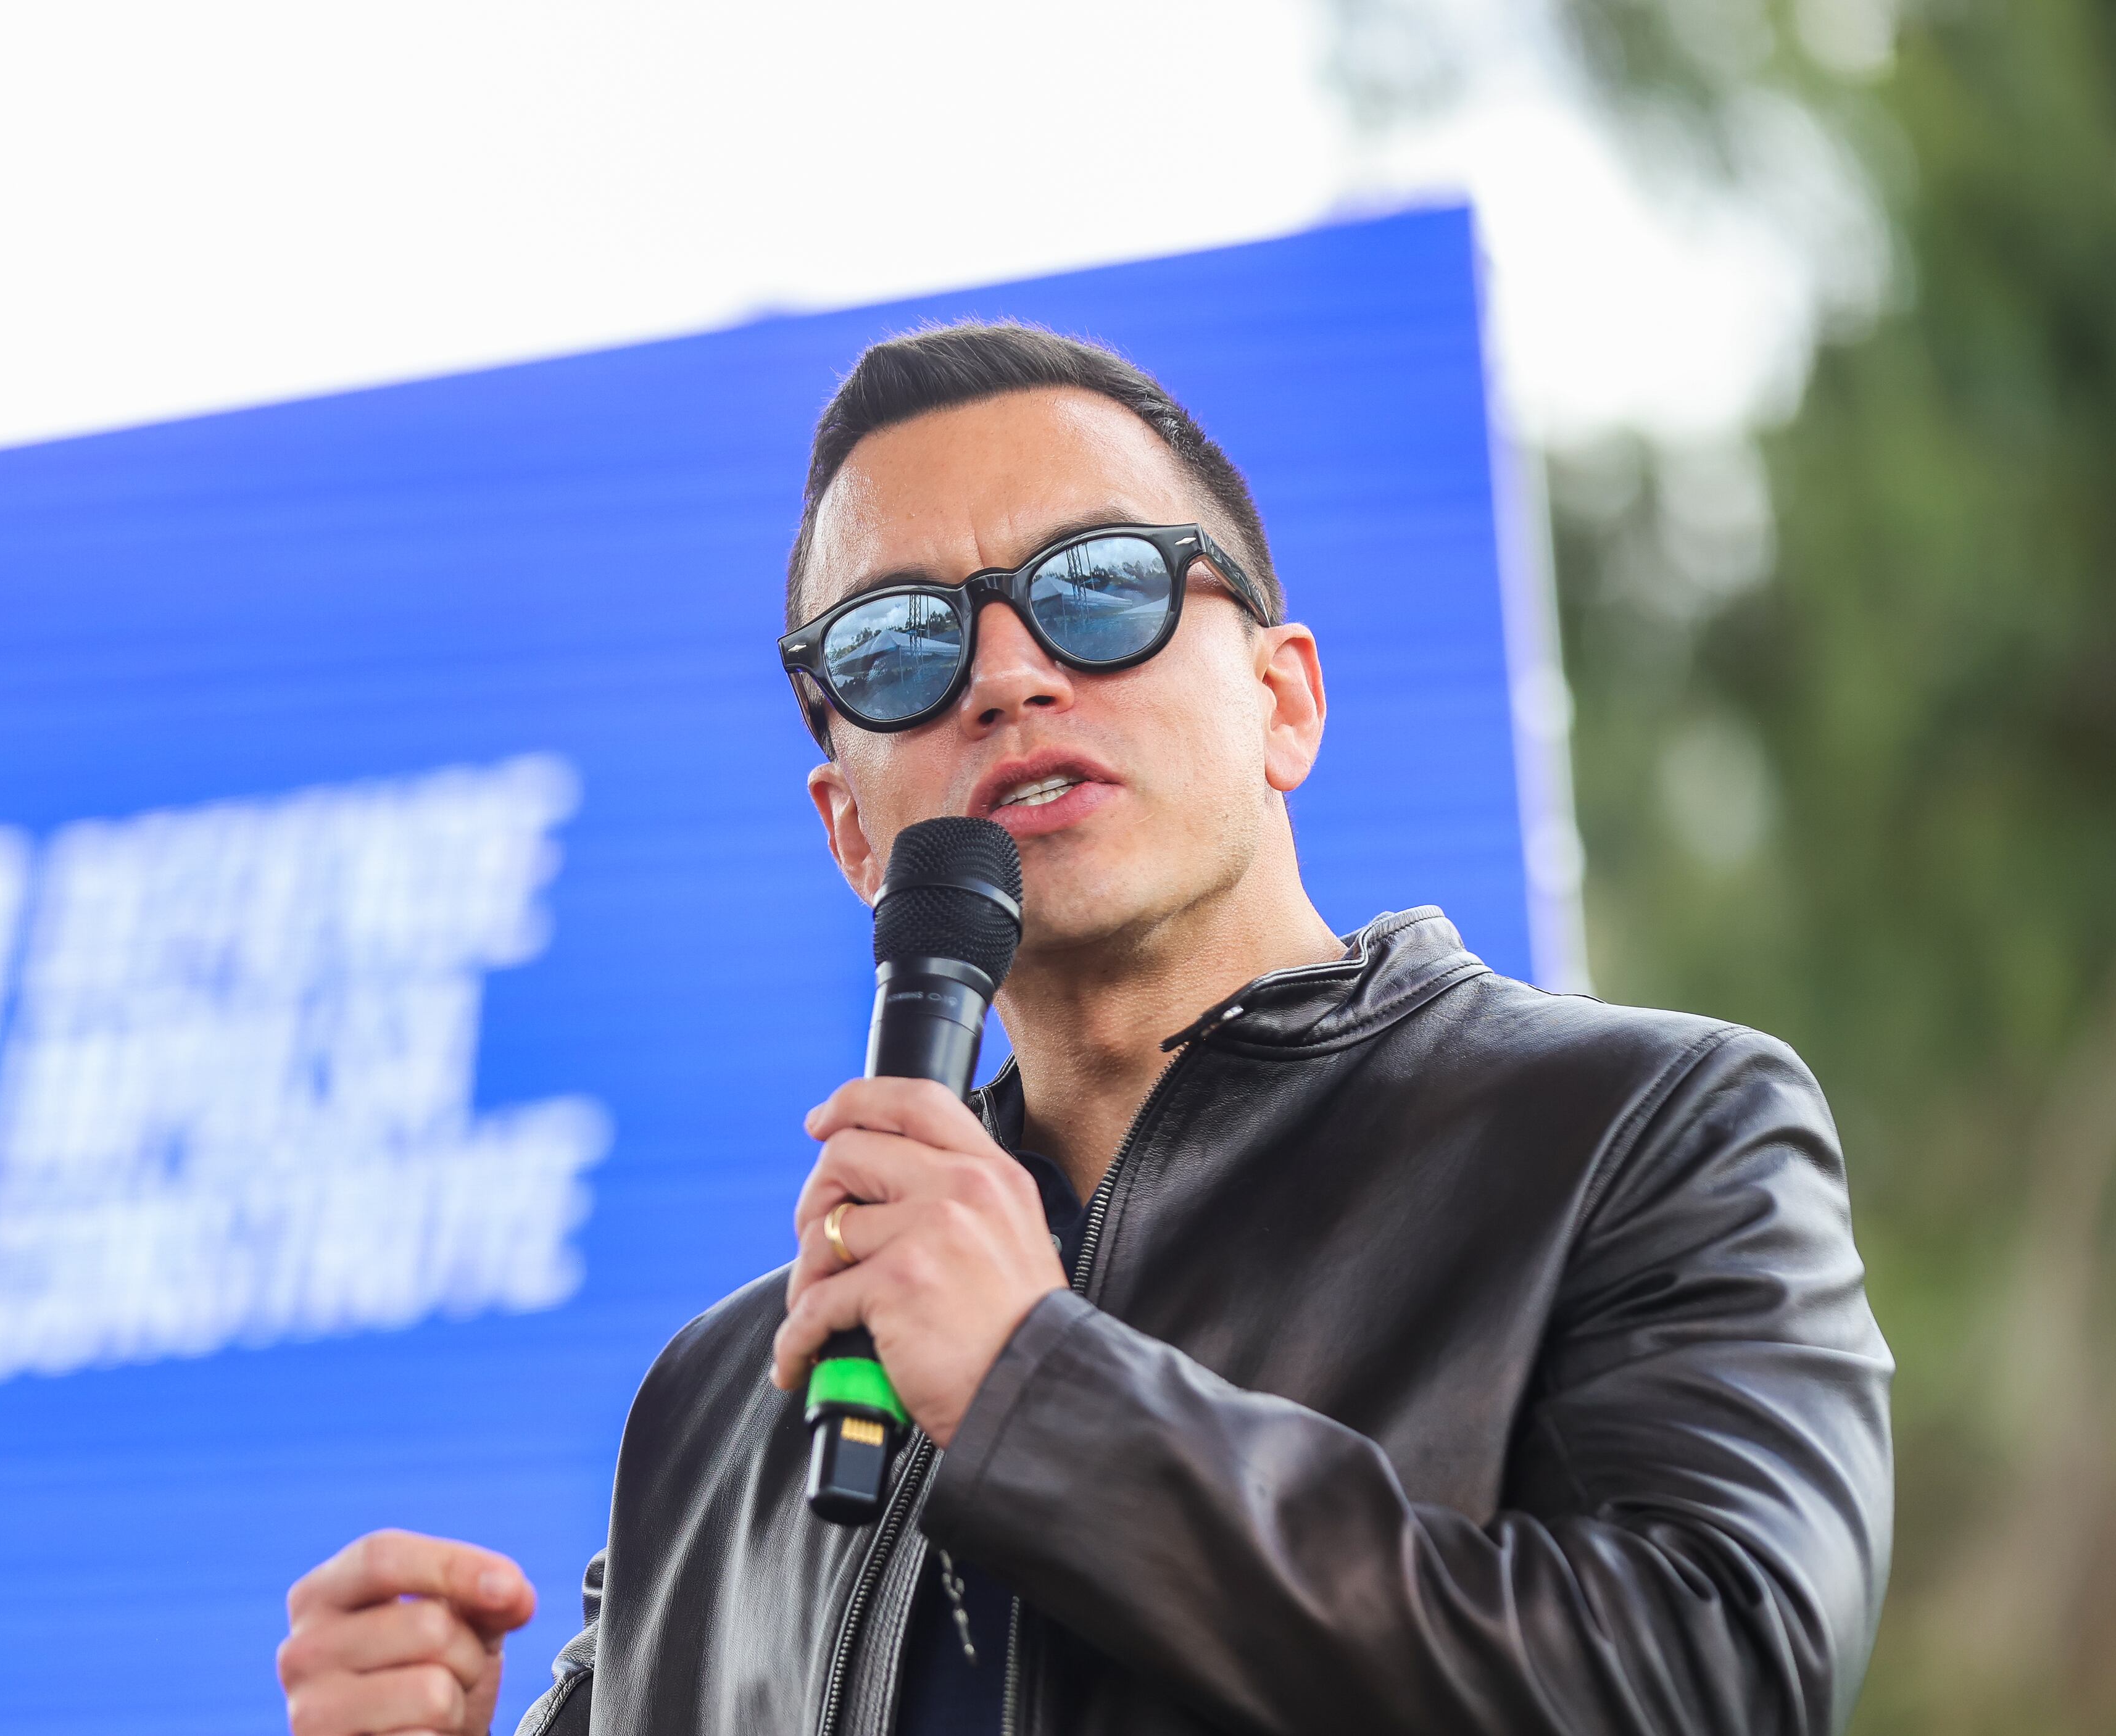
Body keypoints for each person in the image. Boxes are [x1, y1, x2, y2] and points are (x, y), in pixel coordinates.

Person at [274, 324, 1893, 1735]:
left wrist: (1040, 1394)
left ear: (1285, 699)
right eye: (900, 645)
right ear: (850, 829)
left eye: (1098, 590)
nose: (1007, 673)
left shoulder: (1636, 1133)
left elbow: (1718, 1681)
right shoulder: (722, 1403)